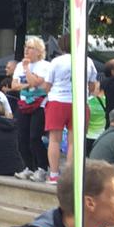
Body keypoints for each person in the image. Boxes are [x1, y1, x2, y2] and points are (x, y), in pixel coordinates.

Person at [42, 48, 97, 182]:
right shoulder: (88, 61)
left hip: (58, 101)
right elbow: (92, 86)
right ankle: (70, 176)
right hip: (79, 103)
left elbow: (47, 86)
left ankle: (54, 175)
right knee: (74, 141)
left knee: (54, 140)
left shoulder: (56, 61)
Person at [12, 36, 51, 180]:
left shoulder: (45, 66)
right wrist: (29, 83)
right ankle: (29, 166)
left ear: (39, 51)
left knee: (35, 137)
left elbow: (36, 83)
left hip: (39, 104)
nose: (26, 50)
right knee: (21, 137)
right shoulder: (18, 66)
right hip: (24, 103)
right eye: (25, 47)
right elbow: (14, 86)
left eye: (30, 48)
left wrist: (27, 69)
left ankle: (42, 168)